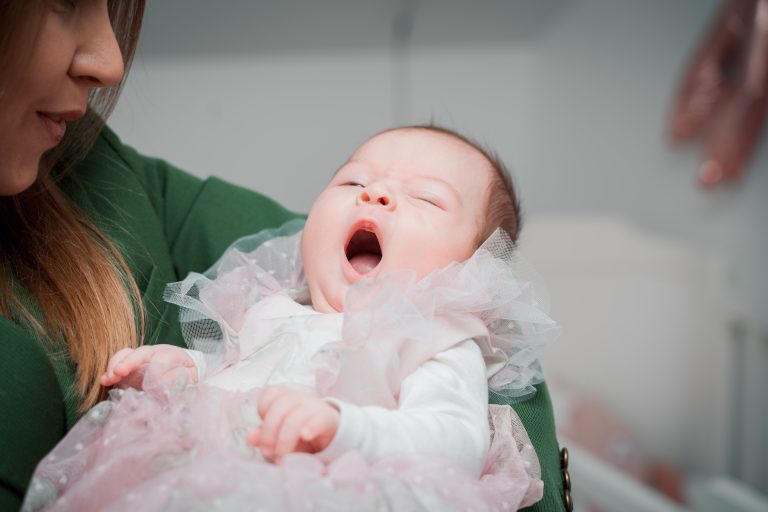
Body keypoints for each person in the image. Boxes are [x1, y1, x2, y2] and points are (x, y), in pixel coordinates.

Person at [0, 2, 568, 511]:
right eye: (353, 181)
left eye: (424, 198)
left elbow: (456, 440)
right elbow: (238, 375)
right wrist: (183, 370)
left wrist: (348, 429)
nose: (376, 193)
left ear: (470, 274)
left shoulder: (430, 344)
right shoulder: (271, 310)